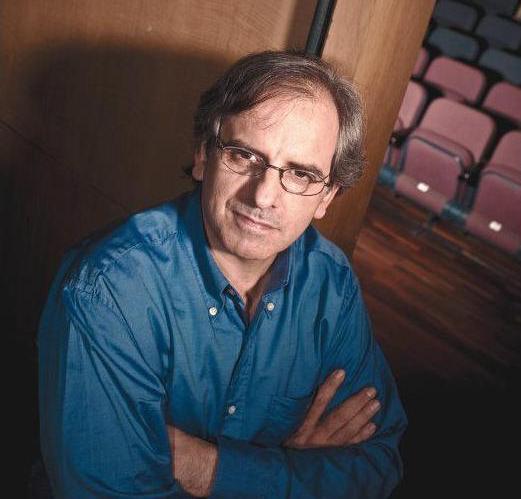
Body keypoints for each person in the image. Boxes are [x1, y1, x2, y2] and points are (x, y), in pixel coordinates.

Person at [38, 50, 407, 498]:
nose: (264, 196)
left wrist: (208, 467)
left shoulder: (331, 282)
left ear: (326, 196)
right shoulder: (109, 289)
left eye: (301, 174)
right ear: (203, 155)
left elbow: (378, 462)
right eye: (244, 155)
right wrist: (292, 469)